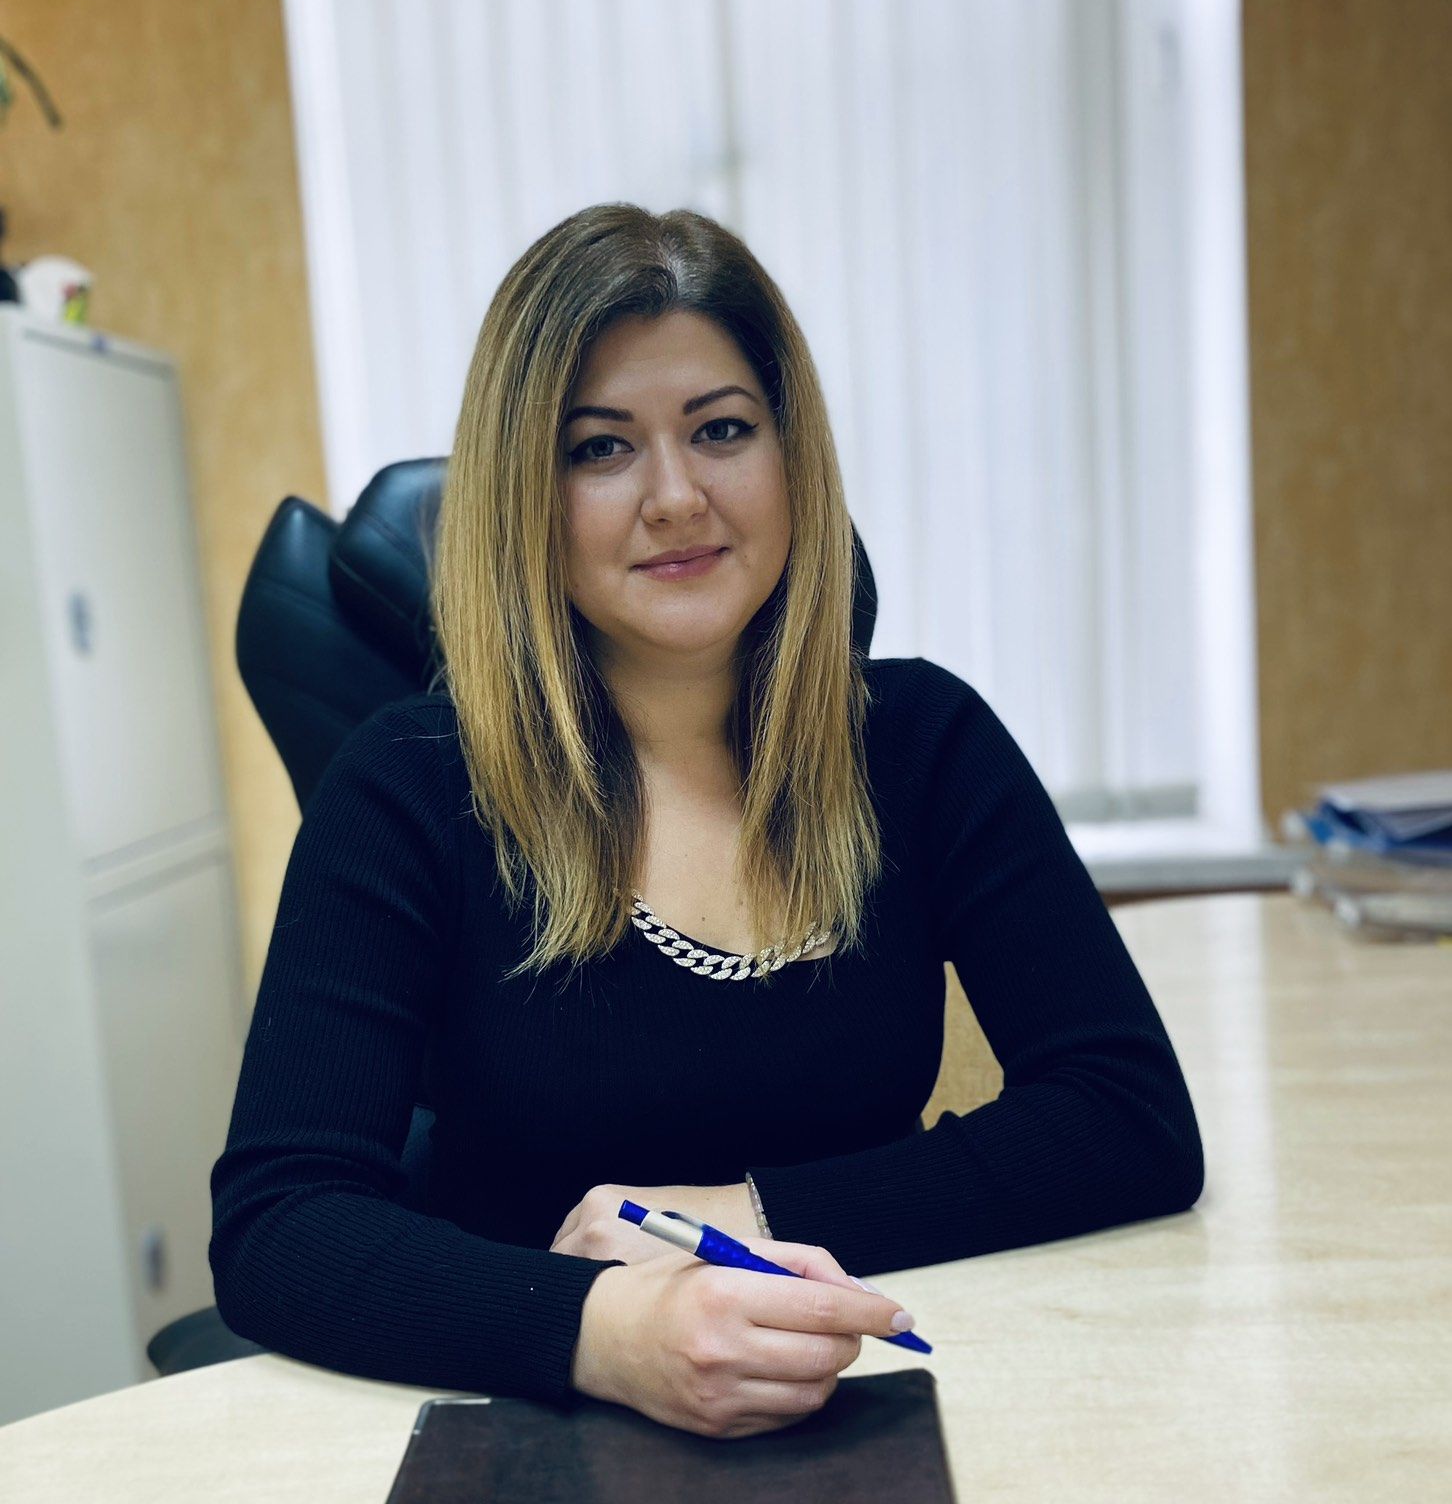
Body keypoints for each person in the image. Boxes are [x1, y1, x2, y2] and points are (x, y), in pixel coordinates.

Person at [209, 203, 1204, 1441]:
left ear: (792, 457)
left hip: (854, 1402)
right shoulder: (407, 786)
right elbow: (280, 1224)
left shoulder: (923, 744)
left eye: (722, 429)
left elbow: (1129, 1117)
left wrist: (748, 1215)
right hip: (529, 1425)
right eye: (600, 448)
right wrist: (605, 1330)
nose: (677, 496)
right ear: (526, 496)